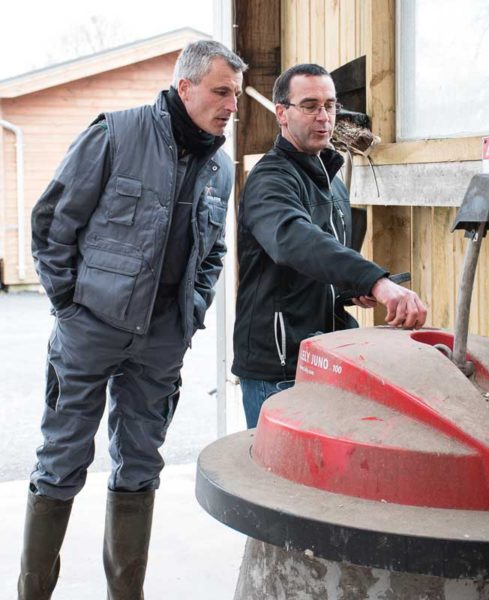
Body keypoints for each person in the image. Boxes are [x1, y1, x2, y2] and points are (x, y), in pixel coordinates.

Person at [18, 40, 247, 600]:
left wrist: (190, 314)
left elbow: (213, 253)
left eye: (237, 96)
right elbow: (53, 222)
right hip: (91, 327)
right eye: (221, 92)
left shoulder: (218, 166)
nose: (231, 106)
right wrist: (70, 305)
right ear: (185, 86)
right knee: (62, 458)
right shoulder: (116, 134)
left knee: (141, 462)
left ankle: (126, 594)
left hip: (162, 339)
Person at [232, 63, 427, 428]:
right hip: (280, 363)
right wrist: (374, 281)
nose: (323, 117)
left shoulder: (331, 181)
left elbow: (318, 267)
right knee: (277, 481)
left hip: (328, 352)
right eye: (309, 105)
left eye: (330, 105)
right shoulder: (270, 180)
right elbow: (296, 241)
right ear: (281, 113)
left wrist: (351, 290)